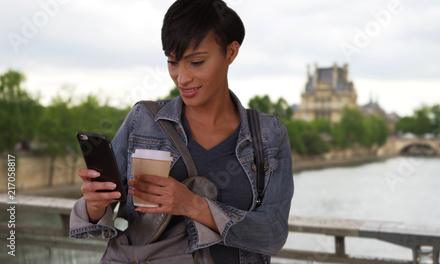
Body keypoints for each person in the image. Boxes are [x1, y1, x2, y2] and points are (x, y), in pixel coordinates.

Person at [69, 0, 294, 263]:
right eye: (173, 62)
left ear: (231, 53)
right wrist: (94, 206)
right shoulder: (143, 120)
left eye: (196, 62)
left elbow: (274, 234)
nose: (182, 78)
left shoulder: (269, 134)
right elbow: (103, 213)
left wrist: (192, 205)